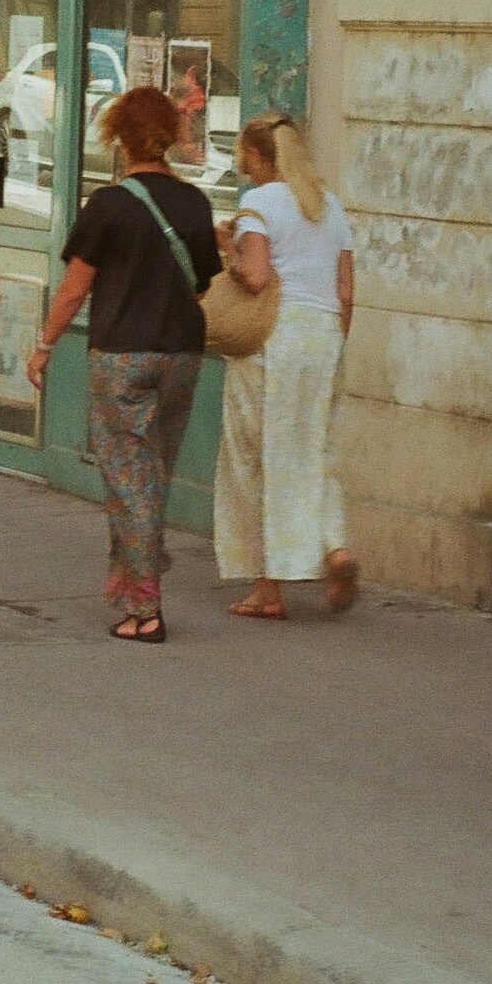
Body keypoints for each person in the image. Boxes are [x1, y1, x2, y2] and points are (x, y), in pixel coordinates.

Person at [28, 87, 222, 644]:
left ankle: (146, 604)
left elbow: (74, 289)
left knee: (128, 478)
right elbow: (204, 280)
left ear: (117, 137)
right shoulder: (195, 203)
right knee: (150, 474)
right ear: (169, 137)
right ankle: (134, 587)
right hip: (183, 355)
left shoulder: (108, 206)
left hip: (122, 358)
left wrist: (44, 345)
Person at [213, 114, 361, 620]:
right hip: (323, 337)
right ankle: (335, 548)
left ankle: (267, 589)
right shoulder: (330, 205)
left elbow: (254, 277)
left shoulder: (259, 204)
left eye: (245, 158)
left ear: (258, 157)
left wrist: (228, 250)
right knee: (314, 450)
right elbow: (345, 291)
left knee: (253, 458)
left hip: (273, 338)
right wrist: (335, 342)